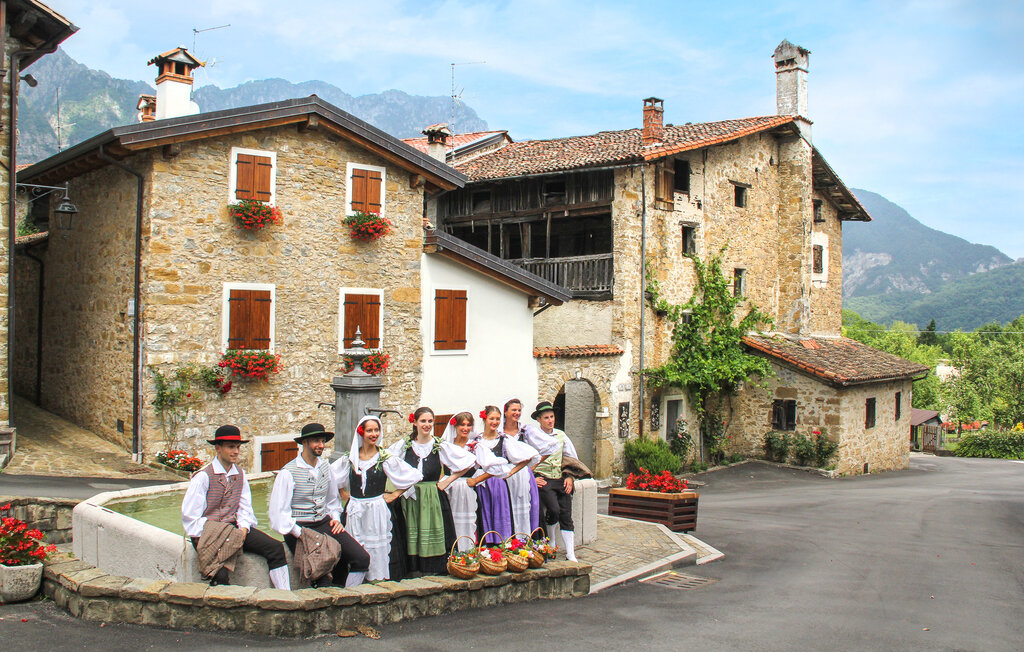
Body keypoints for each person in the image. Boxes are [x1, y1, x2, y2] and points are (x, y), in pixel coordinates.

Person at [181, 424, 291, 589]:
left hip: (234, 528)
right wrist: (216, 534)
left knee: (275, 548)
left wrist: (244, 528)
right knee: (220, 572)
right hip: (208, 532)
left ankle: (285, 595)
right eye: (231, 447)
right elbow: (190, 516)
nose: (236, 451)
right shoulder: (203, 477)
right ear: (218, 448)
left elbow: (245, 507)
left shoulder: (240, 474)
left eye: (238, 447)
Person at [269, 422, 370, 587]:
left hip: (323, 522)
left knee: (361, 558)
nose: (321, 445)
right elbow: (278, 513)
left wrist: (336, 518)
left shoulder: (326, 467)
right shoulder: (288, 473)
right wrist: (298, 532)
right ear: (305, 443)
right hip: (299, 527)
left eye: (323, 441)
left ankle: (348, 597)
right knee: (320, 575)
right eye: (316, 441)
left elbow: (332, 500)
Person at [332, 415, 422, 581]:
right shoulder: (350, 459)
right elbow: (331, 477)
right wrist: (343, 494)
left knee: (377, 548)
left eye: (376, 430)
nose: (373, 434)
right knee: (355, 546)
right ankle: (356, 582)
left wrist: (395, 494)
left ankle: (377, 580)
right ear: (361, 433)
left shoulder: (384, 457)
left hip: (377, 510)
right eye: (369, 430)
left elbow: (414, 475)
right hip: (355, 509)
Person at [388, 407, 476, 575]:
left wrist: (447, 480)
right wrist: (398, 485)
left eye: (430, 421)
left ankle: (433, 569)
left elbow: (469, 461)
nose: (427, 425)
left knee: (434, 530)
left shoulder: (439, 445)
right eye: (423, 421)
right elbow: (387, 460)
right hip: (411, 496)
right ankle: (413, 569)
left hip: (433, 496)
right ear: (415, 422)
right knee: (413, 531)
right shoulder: (405, 444)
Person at [442, 411, 504, 551]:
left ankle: (468, 552)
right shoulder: (446, 446)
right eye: (462, 425)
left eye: (469, 425)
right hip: (449, 489)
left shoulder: (475, 447)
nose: (465, 428)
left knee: (469, 522)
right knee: (450, 521)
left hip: (468, 489)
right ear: (455, 426)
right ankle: (452, 553)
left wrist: (476, 480)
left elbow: (495, 466)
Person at [528, 401, 581, 561]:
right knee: (554, 509)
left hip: (560, 478)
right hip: (544, 479)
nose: (550, 420)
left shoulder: (561, 435)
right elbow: (527, 460)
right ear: (539, 420)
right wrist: (532, 478)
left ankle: (570, 553)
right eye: (546, 418)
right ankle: (551, 545)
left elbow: (572, 458)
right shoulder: (533, 436)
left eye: (551, 417)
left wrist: (570, 477)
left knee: (565, 514)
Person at [499, 398, 547, 536]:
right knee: (508, 508)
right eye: (514, 410)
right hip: (506, 476)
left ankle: (527, 540)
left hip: (523, 475)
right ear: (506, 412)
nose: (517, 413)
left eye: (519, 410)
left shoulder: (525, 431)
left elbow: (547, 447)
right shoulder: (499, 432)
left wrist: (531, 467)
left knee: (527, 508)